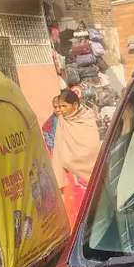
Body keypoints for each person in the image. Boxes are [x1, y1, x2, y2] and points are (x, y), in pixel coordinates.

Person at [51, 88, 101, 226]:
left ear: (75, 105)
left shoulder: (87, 119)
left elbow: (92, 148)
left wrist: (74, 160)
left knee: (95, 209)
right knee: (77, 215)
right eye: (59, 106)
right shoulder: (61, 121)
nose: (61, 109)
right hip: (71, 177)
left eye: (64, 106)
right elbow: (58, 149)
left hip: (90, 175)